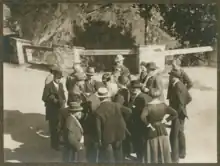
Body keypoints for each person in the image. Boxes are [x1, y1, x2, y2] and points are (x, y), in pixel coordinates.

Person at [95, 87, 132, 163]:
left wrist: (99, 140)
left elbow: (98, 128)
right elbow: (129, 111)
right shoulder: (116, 105)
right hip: (119, 133)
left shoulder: (98, 111)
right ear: (107, 96)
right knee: (119, 155)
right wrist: (122, 119)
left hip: (107, 135)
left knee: (109, 158)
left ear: (99, 98)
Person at [140, 88, 177, 163]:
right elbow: (175, 113)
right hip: (162, 128)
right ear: (159, 95)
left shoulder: (148, 106)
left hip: (152, 129)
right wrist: (166, 120)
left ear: (150, 95)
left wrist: (148, 124)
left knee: (153, 149)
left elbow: (142, 117)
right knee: (164, 148)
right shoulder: (163, 105)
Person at [168, 70, 192, 163]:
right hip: (181, 113)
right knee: (180, 133)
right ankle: (182, 153)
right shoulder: (180, 84)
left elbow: (181, 103)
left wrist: (176, 112)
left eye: (170, 76)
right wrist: (183, 108)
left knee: (174, 135)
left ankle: (175, 157)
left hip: (177, 114)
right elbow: (189, 98)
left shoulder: (177, 86)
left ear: (174, 77)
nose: (169, 77)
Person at [42, 67, 66, 150]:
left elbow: (63, 95)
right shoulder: (49, 86)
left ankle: (59, 141)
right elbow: (44, 97)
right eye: (57, 78)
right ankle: (54, 145)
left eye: (60, 78)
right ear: (54, 77)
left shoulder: (61, 85)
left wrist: (63, 101)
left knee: (59, 127)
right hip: (52, 111)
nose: (59, 80)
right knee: (53, 128)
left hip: (60, 109)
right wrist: (52, 99)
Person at [129, 80, 152, 162]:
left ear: (139, 89)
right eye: (132, 88)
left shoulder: (141, 98)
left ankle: (141, 160)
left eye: (136, 88)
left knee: (141, 144)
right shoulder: (144, 96)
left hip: (140, 125)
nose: (133, 90)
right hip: (141, 125)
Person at [113, 75, 132, 160]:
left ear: (119, 82)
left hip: (121, 114)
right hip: (126, 114)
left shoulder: (120, 92)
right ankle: (127, 151)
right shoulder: (128, 91)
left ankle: (124, 152)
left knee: (122, 133)